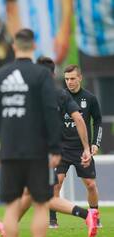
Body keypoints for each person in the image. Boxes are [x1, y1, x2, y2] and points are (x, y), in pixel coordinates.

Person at [0, 56, 99, 237]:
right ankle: (8, 226)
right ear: (54, 74)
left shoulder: (31, 94)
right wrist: (86, 148)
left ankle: (86, 215)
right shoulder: (61, 94)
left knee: (42, 196)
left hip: (39, 152)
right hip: (47, 151)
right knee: (29, 192)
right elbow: (79, 119)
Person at [0, 29, 61, 237]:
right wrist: (55, 147)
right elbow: (51, 111)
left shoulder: (0, 76)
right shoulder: (41, 75)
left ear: (14, 46)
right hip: (37, 153)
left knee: (11, 207)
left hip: (9, 152)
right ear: (34, 46)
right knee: (40, 205)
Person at [52, 65, 103, 227]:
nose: (70, 82)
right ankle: (52, 220)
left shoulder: (90, 98)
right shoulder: (60, 97)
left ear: (80, 78)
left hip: (82, 149)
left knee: (91, 185)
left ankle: (95, 216)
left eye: (73, 78)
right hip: (62, 149)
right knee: (56, 184)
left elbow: (98, 121)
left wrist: (95, 143)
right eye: (66, 79)